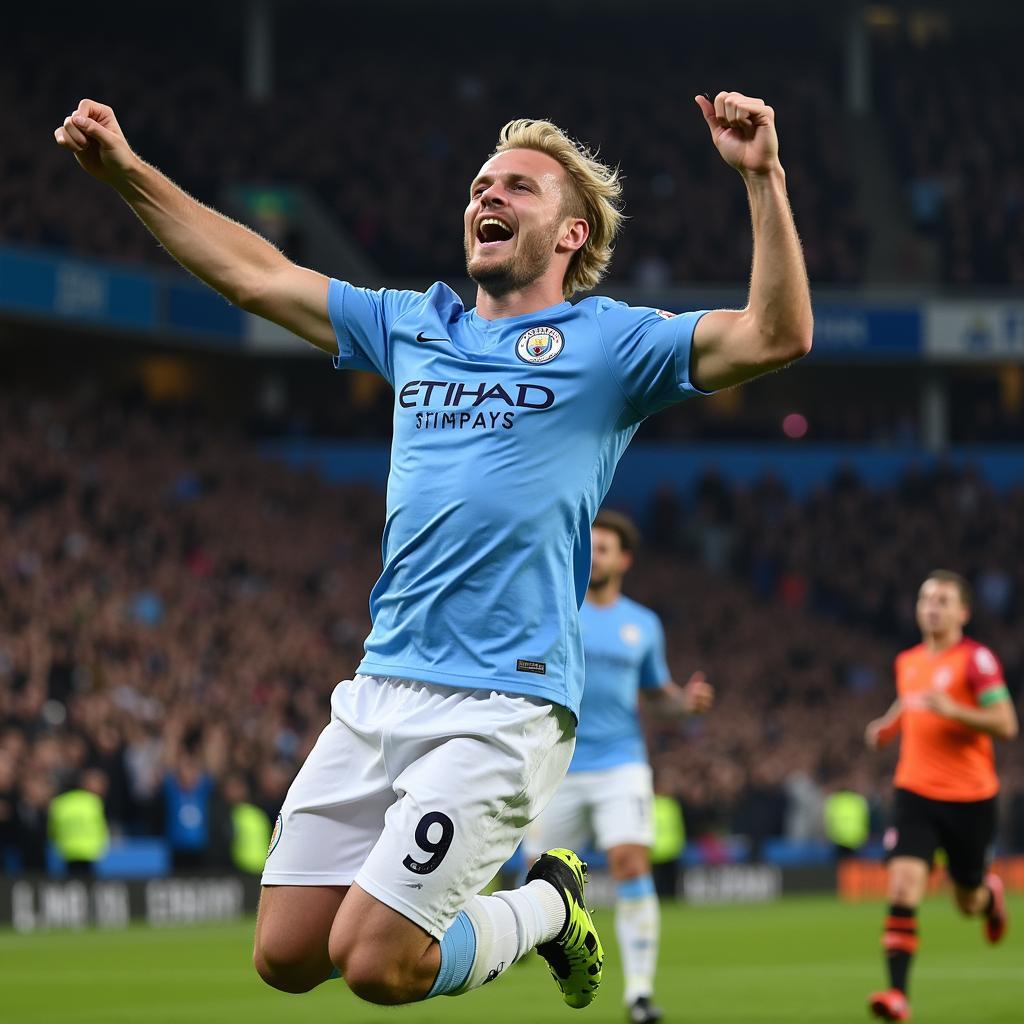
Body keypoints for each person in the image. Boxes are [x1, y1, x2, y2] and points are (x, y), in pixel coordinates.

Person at [55, 90, 812, 1009]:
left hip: (507, 699)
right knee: (288, 956)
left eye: (519, 188)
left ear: (572, 234)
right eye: (481, 183)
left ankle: (545, 912)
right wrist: (130, 176)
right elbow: (260, 277)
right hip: (381, 688)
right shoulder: (416, 325)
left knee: (378, 966)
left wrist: (763, 178)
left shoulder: (611, 343)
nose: (488, 195)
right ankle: (541, 907)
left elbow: (778, 335)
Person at [528, 509, 714, 1024]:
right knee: (539, 879)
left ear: (625, 558)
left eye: (606, 546)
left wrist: (685, 703)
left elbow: (656, 698)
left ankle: (638, 994)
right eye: (592, 545)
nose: (597, 553)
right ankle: (535, 954)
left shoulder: (643, 625)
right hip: (558, 763)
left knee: (632, 862)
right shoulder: (559, 611)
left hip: (621, 763)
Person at [865, 570, 1018, 1022]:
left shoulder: (977, 661)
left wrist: (957, 710)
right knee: (903, 883)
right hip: (915, 790)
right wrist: (887, 728)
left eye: (943, 600)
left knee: (966, 900)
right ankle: (897, 995)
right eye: (925, 598)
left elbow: (1006, 724)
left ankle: (989, 896)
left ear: (963, 613)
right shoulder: (908, 661)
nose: (932, 607)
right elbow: (909, 701)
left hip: (970, 797)